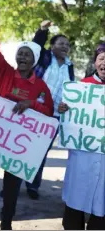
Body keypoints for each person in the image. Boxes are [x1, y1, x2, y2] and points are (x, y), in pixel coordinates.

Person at [0, 7, 54, 230]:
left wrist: (31, 104)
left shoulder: (41, 86)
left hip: (18, 148)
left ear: (34, 60)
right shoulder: (3, 72)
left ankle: (6, 224)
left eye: (27, 54)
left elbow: (48, 112)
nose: (23, 56)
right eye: (20, 53)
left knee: (12, 187)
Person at [21, 20, 75, 199]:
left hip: (53, 115)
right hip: (33, 109)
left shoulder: (70, 66)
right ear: (52, 46)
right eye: (61, 43)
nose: (65, 47)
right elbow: (35, 47)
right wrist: (42, 30)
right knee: (20, 144)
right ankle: (11, 183)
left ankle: (33, 186)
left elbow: (70, 91)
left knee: (41, 150)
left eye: (67, 45)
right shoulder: (44, 58)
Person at [58, 43, 105, 230]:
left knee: (101, 205)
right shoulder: (80, 88)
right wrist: (64, 109)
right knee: (76, 201)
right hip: (82, 156)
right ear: (95, 62)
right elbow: (70, 120)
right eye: (102, 59)